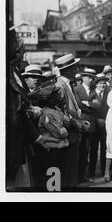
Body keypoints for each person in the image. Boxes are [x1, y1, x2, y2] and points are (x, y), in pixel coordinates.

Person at [7, 29, 58, 189]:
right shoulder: (8, 73)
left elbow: (20, 104)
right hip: (13, 138)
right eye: (19, 51)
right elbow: (14, 111)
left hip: (22, 138)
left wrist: (29, 107)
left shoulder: (14, 71)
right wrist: (36, 137)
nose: (22, 55)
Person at [54, 53, 84, 188]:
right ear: (68, 69)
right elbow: (61, 112)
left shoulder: (66, 84)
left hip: (73, 132)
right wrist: (78, 123)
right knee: (68, 169)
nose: (77, 70)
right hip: (69, 132)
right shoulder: (60, 85)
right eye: (75, 68)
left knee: (72, 167)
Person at [74, 67, 97, 183]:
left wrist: (87, 103)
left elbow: (99, 105)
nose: (91, 79)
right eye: (88, 76)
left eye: (92, 77)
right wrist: (91, 104)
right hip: (81, 122)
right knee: (79, 150)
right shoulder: (77, 89)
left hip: (91, 124)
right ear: (83, 77)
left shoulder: (94, 90)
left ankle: (82, 175)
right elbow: (78, 104)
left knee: (86, 151)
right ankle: (77, 175)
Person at [88, 73, 110, 180]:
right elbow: (88, 110)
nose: (103, 85)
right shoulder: (91, 94)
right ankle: (91, 172)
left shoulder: (108, 94)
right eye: (100, 83)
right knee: (93, 148)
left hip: (105, 125)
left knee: (105, 149)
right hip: (95, 125)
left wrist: (106, 120)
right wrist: (96, 120)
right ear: (96, 85)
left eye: (104, 83)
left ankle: (104, 171)